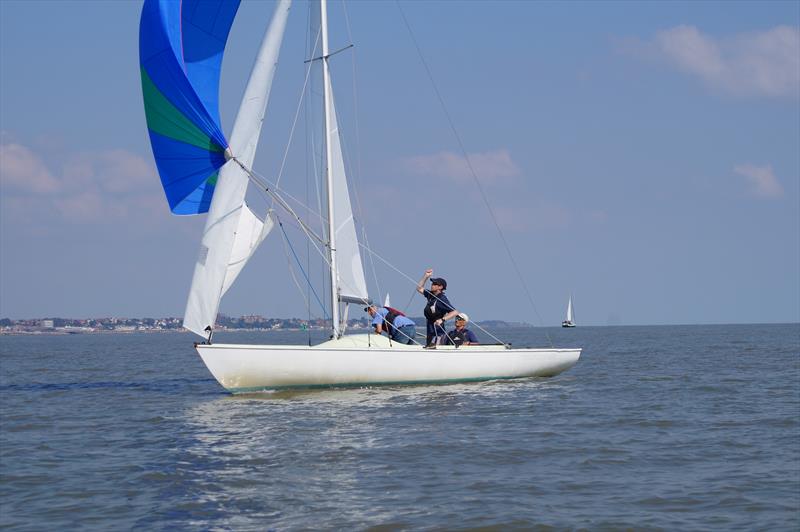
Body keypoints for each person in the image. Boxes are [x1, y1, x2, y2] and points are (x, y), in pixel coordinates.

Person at [416, 269, 459, 348]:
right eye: (432, 283)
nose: (432, 285)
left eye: (435, 284)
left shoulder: (442, 299)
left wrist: (442, 320)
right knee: (429, 347)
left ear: (440, 287)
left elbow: (455, 312)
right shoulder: (431, 295)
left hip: (437, 331)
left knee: (434, 348)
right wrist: (426, 276)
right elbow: (419, 288)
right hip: (430, 329)